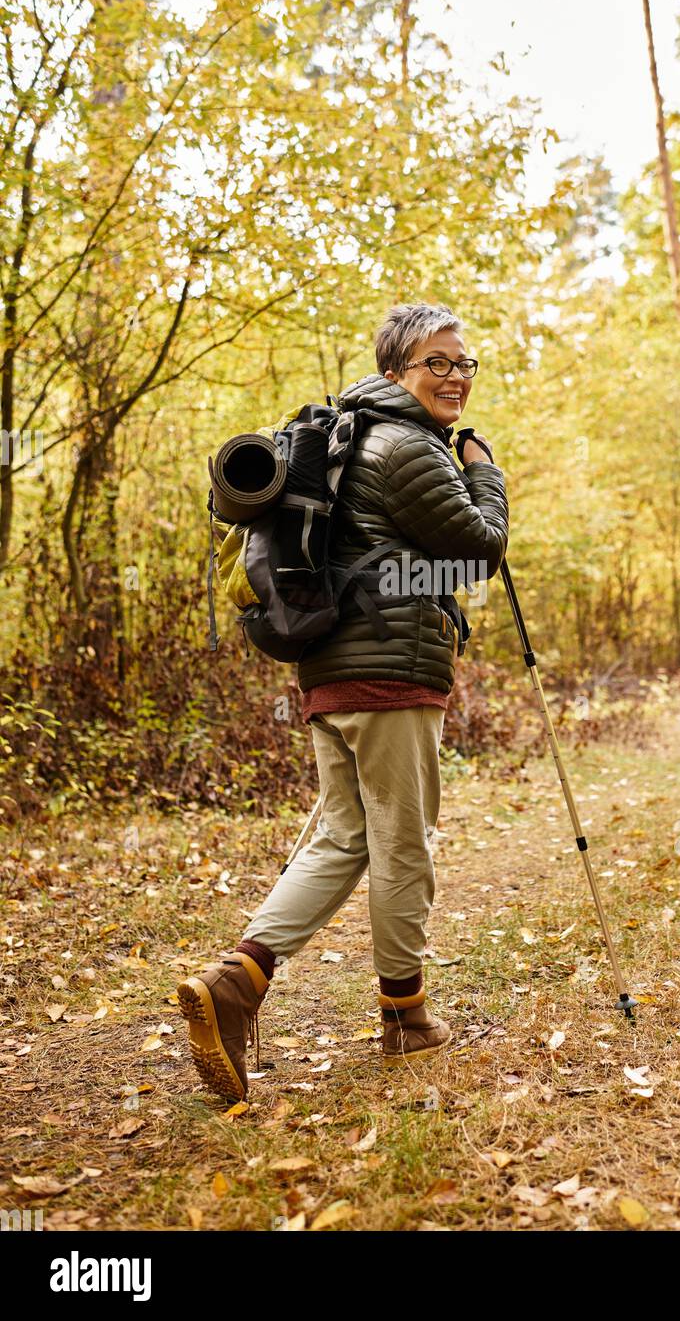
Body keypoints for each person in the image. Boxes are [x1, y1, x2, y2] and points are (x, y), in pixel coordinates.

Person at [178, 302, 509, 1101]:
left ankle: (238, 982)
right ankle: (406, 1018)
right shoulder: (404, 446)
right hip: (392, 672)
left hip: (331, 673)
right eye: (439, 362)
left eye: (465, 364)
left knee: (342, 838)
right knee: (403, 844)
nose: (457, 376)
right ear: (397, 368)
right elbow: (480, 547)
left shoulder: (351, 437)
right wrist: (485, 470)